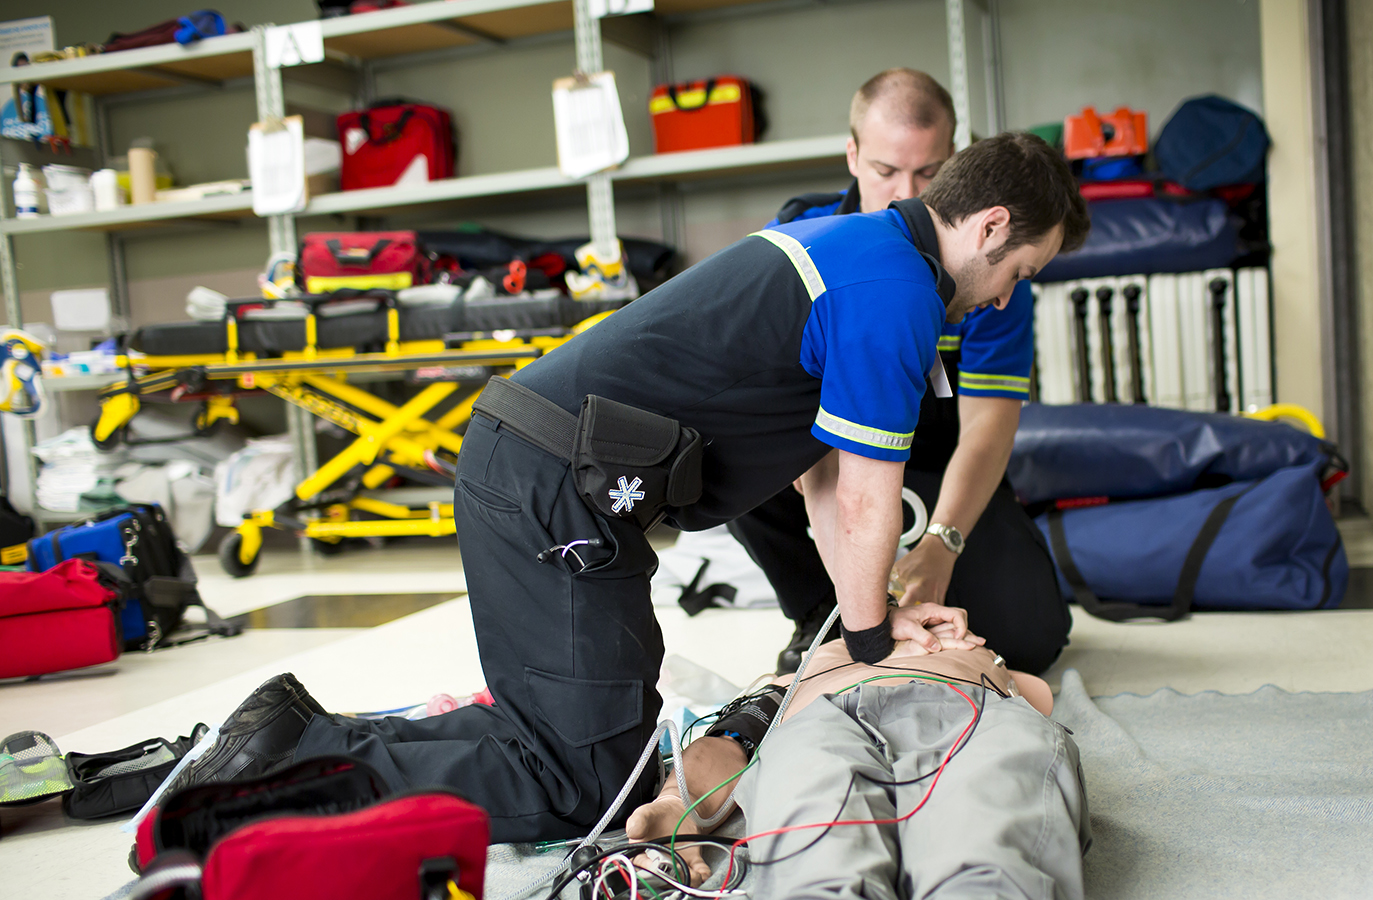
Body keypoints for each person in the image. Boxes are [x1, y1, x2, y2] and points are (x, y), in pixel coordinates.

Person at [157, 132, 1090, 845]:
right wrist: (872, 643)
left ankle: (290, 739)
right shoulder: (898, 293)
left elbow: (821, 483)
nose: (1006, 297)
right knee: (587, 784)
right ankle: (273, 768)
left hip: (548, 477)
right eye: (1019, 273)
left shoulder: (855, 248)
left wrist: (862, 618)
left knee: (604, 748)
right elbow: (865, 500)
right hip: (550, 489)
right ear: (991, 227)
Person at [732, 68, 1074, 677]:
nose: (904, 194)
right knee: (730, 454)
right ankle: (820, 615)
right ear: (853, 155)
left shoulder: (995, 272)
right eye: (886, 172)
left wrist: (941, 542)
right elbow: (760, 394)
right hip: (826, 454)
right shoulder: (806, 234)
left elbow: (987, 431)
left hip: (940, 468)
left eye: (929, 174)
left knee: (1030, 637)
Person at [623, 628, 1089, 899]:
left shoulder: (972, 643)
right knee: (822, 862)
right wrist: (673, 805)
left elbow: (1035, 702)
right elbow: (733, 738)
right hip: (823, 717)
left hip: (975, 710)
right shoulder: (814, 659)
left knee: (987, 848)